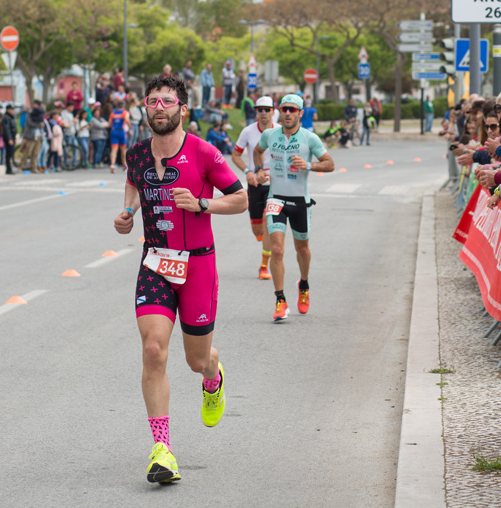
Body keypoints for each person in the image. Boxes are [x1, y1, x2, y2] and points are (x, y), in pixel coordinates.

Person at [113, 74, 247, 484]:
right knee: (153, 350)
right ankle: (162, 450)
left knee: (195, 360)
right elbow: (133, 183)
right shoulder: (136, 154)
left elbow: (240, 199)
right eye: (151, 102)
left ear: (182, 109)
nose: (158, 108)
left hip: (198, 265)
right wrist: (127, 213)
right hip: (155, 261)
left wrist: (204, 203)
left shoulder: (205, 152)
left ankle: (213, 374)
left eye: (166, 102)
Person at [253, 93, 335, 322]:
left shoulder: (310, 138)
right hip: (276, 199)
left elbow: (330, 164)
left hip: (300, 201)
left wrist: (309, 164)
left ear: (300, 113)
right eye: (284, 109)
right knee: (277, 250)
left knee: (302, 249)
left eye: (292, 110)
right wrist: (259, 170)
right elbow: (257, 151)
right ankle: (280, 301)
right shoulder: (270, 135)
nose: (287, 113)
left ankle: (304, 283)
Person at [231, 95, 276, 280]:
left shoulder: (281, 131)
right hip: (255, 184)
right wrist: (248, 171)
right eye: (260, 110)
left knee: (269, 220)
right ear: (256, 112)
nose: (263, 113)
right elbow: (235, 155)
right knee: (258, 229)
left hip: (275, 184)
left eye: (267, 110)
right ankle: (262, 236)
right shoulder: (248, 131)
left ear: (273, 111)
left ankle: (264, 266)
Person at [19, 100, 44, 173]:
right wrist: (39, 125)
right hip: (30, 136)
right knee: (27, 152)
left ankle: (33, 167)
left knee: (36, 153)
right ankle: (21, 166)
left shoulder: (40, 113)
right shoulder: (30, 113)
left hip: (38, 135)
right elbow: (30, 123)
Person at [109, 100, 130, 174]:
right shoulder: (125, 112)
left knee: (114, 150)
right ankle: (124, 166)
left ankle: (112, 165)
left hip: (114, 131)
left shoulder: (113, 113)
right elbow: (127, 120)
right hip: (121, 131)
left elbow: (110, 124)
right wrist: (130, 129)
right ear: (123, 106)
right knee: (123, 150)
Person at [89, 104, 109, 168]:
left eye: (98, 112)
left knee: (101, 151)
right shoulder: (93, 119)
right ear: (93, 113)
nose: (97, 114)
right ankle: (95, 163)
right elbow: (100, 126)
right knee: (97, 150)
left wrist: (103, 124)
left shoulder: (101, 118)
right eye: (96, 112)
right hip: (96, 137)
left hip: (103, 136)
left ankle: (99, 162)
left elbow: (108, 124)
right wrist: (103, 124)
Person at [0, 104, 18, 174]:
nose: (13, 111)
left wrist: (14, 138)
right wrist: (9, 139)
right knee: (9, 154)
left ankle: (10, 168)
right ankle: (9, 169)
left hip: (12, 137)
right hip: (9, 138)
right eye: (12, 110)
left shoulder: (11, 117)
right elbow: (7, 129)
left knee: (12, 154)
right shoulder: (6, 118)